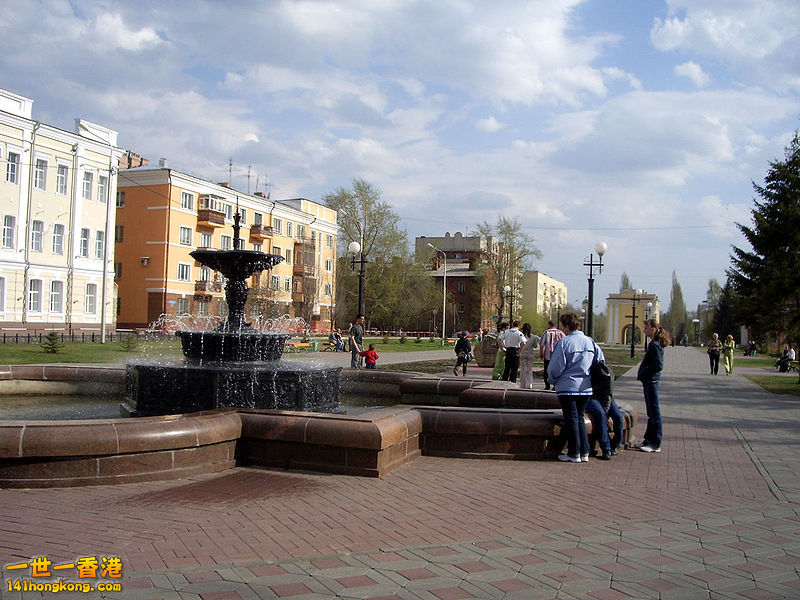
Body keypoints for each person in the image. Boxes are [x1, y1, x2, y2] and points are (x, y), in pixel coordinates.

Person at [547, 313, 601, 463]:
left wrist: (552, 380)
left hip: (568, 387)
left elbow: (556, 367)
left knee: (571, 419)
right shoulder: (590, 342)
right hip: (586, 388)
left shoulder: (564, 343)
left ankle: (574, 452)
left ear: (565, 326)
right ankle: (584, 451)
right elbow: (600, 360)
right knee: (579, 418)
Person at [636, 319, 672, 453]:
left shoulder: (655, 345)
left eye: (646, 328)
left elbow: (658, 365)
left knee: (654, 412)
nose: (644, 331)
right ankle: (648, 439)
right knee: (650, 412)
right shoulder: (655, 343)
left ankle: (655, 442)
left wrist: (645, 372)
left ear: (653, 329)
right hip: (650, 381)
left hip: (652, 381)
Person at [540, 321, 565, 390]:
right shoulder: (561, 333)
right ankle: (555, 385)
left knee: (546, 370)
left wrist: (541, 353)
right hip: (557, 355)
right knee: (557, 370)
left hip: (547, 355)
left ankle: (547, 385)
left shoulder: (546, 332)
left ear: (549, 325)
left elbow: (542, 344)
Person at [518, 323, 539, 389]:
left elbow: (519, 345)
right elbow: (535, 346)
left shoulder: (521, 336)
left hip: (522, 353)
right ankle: (529, 384)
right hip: (530, 353)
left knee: (523, 369)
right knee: (529, 370)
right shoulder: (533, 337)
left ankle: (523, 384)